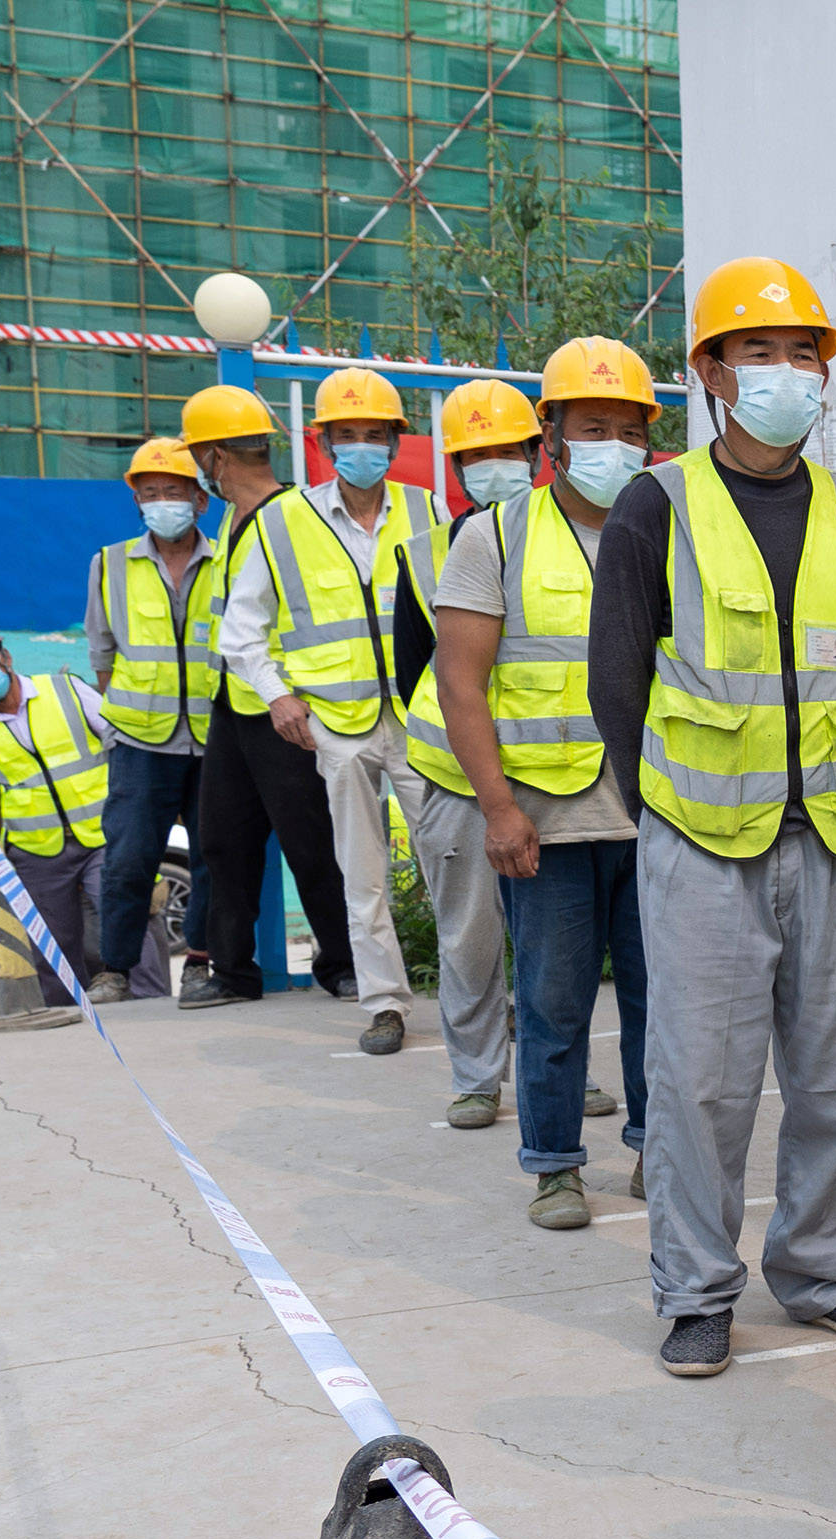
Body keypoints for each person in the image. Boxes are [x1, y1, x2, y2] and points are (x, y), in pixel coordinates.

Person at [589, 257, 836, 1376]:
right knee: (702, 1081)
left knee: (829, 1076)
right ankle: (696, 1290)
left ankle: (824, 1272)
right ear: (712, 372)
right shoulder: (654, 505)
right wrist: (668, 816)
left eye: (801, 354)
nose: (785, 374)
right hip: (702, 844)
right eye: (757, 353)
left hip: (829, 832)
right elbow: (615, 684)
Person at [413, 338, 656, 1228]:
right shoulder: (495, 537)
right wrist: (501, 810)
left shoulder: (670, 524)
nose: (613, 445)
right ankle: (557, 1167)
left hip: (656, 816)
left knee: (658, 1004)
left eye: (629, 430)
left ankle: (652, 1151)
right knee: (552, 1005)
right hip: (546, 824)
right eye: (593, 427)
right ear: (549, 435)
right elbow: (460, 685)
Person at [214, 365, 435, 1054]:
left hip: (423, 721)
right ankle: (385, 1004)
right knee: (360, 872)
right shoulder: (281, 521)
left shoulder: (429, 511)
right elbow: (238, 630)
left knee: (454, 864)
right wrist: (277, 695)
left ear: (396, 444)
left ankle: (477, 995)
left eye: (376, 434)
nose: (362, 446)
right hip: (336, 725)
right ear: (324, 444)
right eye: (348, 435)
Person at [386, 378, 544, 1130]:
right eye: (476, 456)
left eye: (507, 451)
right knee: (469, 937)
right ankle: (478, 1076)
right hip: (454, 779)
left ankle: (559, 1074)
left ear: (537, 454)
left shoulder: (572, 542)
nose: (494, 468)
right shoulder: (421, 557)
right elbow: (420, 675)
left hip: (558, 771)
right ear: (455, 470)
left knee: (556, 944)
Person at [177, 383, 360, 1013]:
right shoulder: (232, 521)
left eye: (200, 455)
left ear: (216, 458)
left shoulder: (292, 517)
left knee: (313, 842)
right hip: (235, 705)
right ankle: (232, 970)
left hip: (289, 706)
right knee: (224, 840)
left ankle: (342, 964)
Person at [83, 436, 222, 1003]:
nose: (162, 502)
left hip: (215, 734)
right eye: (150, 493)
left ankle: (202, 961)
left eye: (174, 491)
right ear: (137, 502)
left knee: (215, 856)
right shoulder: (110, 562)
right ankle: (114, 969)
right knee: (130, 858)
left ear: (200, 499)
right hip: (142, 741)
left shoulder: (228, 559)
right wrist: (125, 715)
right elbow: (102, 652)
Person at [0, 620, 114, 980]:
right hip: (37, 854)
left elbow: (122, 747)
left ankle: (148, 1004)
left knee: (124, 919)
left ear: (6, 656)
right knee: (50, 947)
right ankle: (63, 1019)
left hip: (104, 834)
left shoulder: (68, 691)